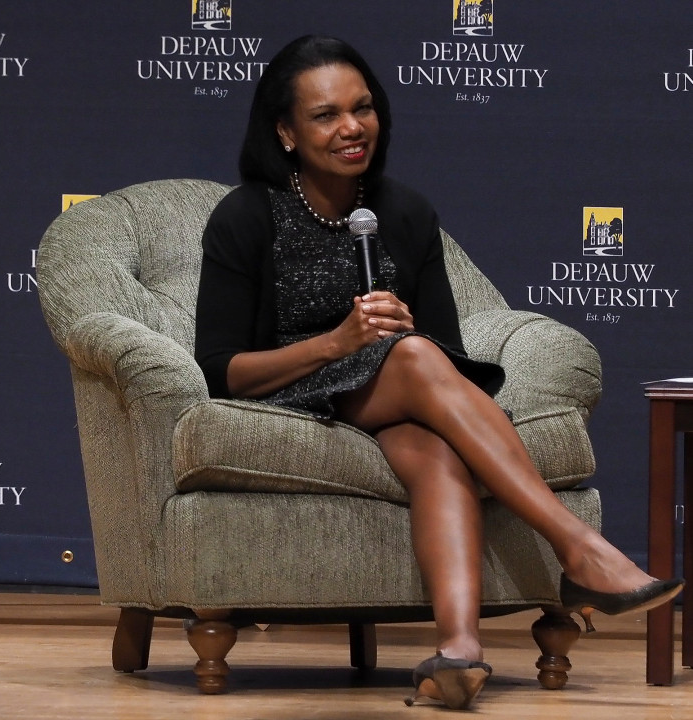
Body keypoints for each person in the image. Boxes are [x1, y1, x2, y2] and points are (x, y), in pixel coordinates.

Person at [195, 35, 683, 710]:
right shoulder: (245, 217)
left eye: (363, 108)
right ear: (284, 131)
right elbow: (221, 371)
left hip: (392, 390)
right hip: (291, 391)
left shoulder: (403, 212)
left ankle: (458, 653)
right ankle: (580, 550)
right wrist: (339, 343)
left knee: (439, 448)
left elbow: (445, 348)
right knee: (416, 356)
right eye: (326, 114)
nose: (351, 127)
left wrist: (391, 351)